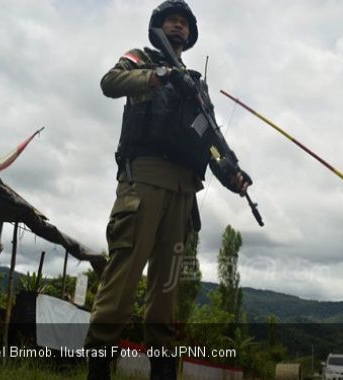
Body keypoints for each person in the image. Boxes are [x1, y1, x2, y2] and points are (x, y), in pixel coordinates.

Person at [85, 1, 252, 379]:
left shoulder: (196, 84)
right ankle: (98, 370)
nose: (178, 27)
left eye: (184, 23)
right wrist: (156, 75)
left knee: (166, 294)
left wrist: (232, 174)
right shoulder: (141, 57)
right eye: (171, 21)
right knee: (122, 283)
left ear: (190, 35)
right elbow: (109, 82)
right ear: (159, 26)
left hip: (183, 193)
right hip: (143, 181)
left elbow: (209, 139)